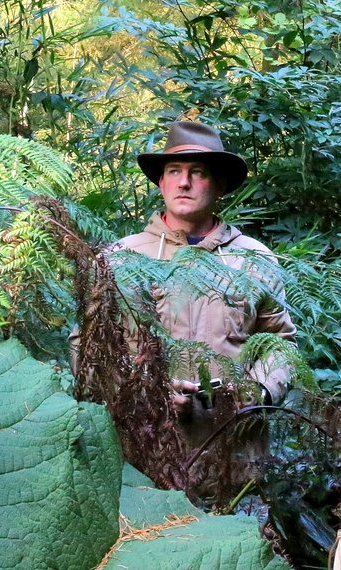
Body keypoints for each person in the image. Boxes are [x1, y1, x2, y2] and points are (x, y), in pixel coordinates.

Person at [106, 119, 297, 451]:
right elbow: (91, 346)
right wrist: (142, 393)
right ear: (161, 183)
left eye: (198, 172)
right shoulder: (121, 257)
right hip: (146, 458)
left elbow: (280, 343)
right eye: (174, 171)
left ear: (219, 184)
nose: (184, 183)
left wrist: (260, 390)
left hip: (235, 454)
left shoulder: (253, 258)